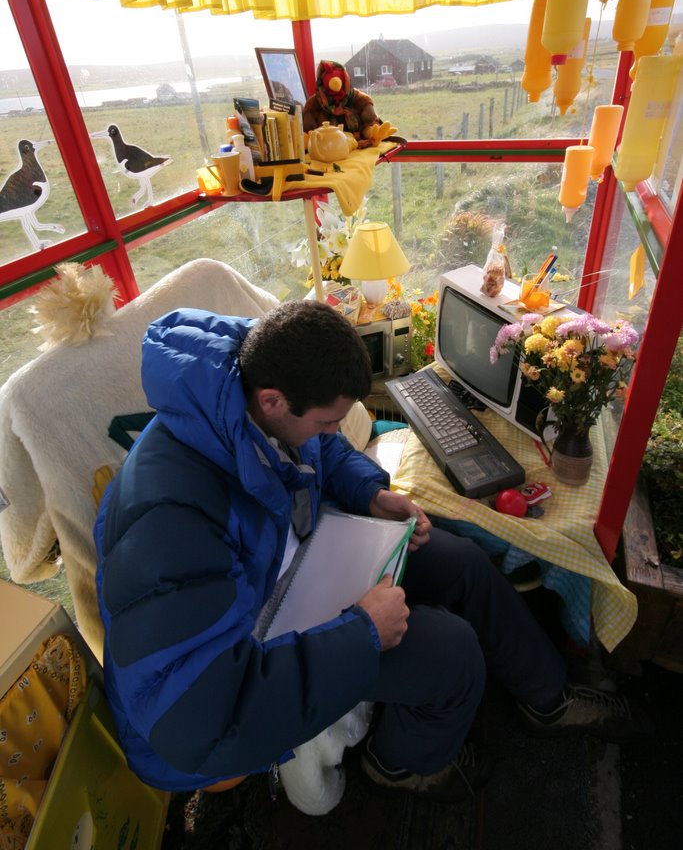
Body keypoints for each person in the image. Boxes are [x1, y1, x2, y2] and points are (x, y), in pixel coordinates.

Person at [94, 299, 648, 801]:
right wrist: (361, 632)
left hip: (292, 574)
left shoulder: (255, 384)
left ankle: (546, 698)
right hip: (233, 667)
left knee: (462, 564)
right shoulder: (172, 520)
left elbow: (319, 444)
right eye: (328, 418)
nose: (333, 430)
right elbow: (199, 717)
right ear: (273, 400)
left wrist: (372, 492)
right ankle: (399, 765)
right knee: (452, 654)